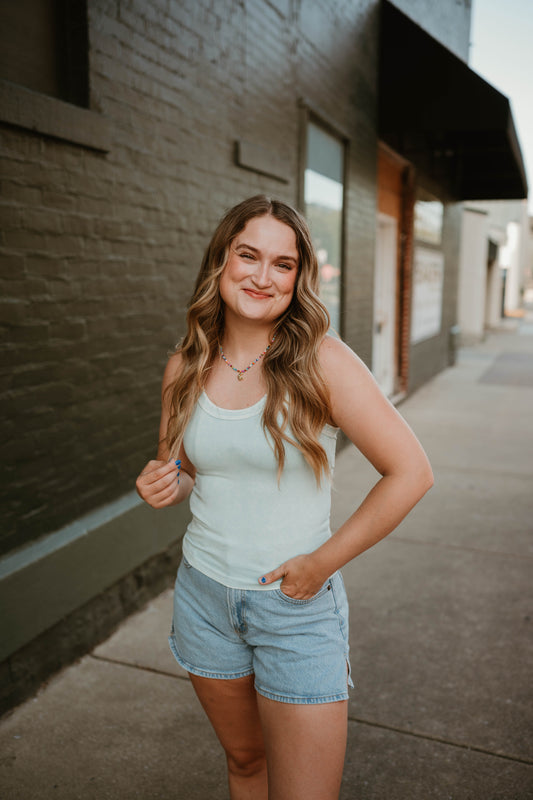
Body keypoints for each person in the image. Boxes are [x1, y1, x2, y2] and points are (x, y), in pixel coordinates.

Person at [136, 195, 433, 800]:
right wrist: (161, 481)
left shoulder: (321, 361)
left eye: (283, 264)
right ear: (221, 261)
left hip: (295, 608)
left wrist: (322, 564)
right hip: (204, 598)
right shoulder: (184, 366)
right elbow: (185, 466)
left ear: (299, 278)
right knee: (246, 765)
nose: (262, 277)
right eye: (248, 255)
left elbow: (410, 472)